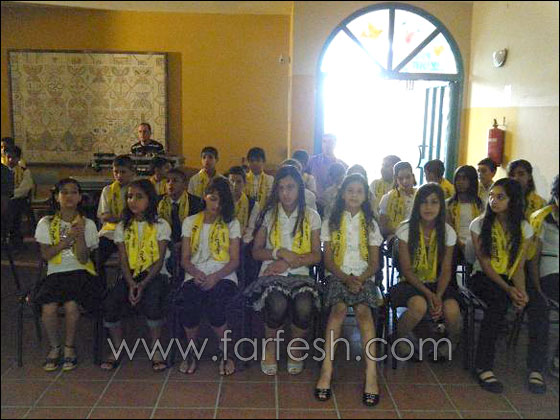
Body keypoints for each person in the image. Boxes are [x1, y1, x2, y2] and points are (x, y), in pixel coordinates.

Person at [244, 165, 322, 376]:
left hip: (300, 273)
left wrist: (288, 263)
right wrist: (279, 252)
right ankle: (270, 347)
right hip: (272, 273)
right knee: (277, 304)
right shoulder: (270, 215)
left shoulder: (311, 216)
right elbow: (256, 252)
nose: (286, 193)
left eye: (291, 187)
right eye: (281, 188)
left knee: (304, 306)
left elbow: (316, 255)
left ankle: (295, 347)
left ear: (300, 189)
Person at [315, 174, 383, 407]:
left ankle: (371, 375)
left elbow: (375, 263)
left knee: (364, 314)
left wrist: (359, 279)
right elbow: (328, 261)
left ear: (365, 197)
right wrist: (346, 279)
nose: (354, 195)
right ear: (342, 194)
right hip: (338, 275)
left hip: (364, 277)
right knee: (338, 311)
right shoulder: (331, 222)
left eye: (359, 191)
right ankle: (326, 371)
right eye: (350, 190)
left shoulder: (371, 224)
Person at [470, 178, 533, 394]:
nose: (493, 201)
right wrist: (508, 290)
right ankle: (483, 365)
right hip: (482, 277)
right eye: (491, 196)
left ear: (513, 200)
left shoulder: (524, 228)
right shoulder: (479, 224)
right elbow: (485, 264)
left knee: (528, 301)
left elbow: (518, 267)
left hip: (508, 277)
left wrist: (521, 292)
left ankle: (536, 368)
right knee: (498, 301)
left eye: (500, 197)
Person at [34, 178, 104, 371]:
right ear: (57, 197)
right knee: (48, 308)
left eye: (74, 192)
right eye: (64, 192)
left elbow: (83, 258)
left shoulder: (87, 223)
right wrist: (67, 240)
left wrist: (79, 235)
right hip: (55, 273)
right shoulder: (46, 222)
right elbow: (46, 255)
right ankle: (54, 347)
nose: (69, 196)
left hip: (80, 272)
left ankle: (69, 348)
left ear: (80, 197)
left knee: (71, 305)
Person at [101, 180, 171, 372]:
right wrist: (132, 283)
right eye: (130, 197)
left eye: (139, 197)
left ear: (150, 199)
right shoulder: (122, 226)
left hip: (154, 274)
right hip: (130, 275)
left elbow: (159, 260)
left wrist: (142, 284)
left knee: (153, 301)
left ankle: (156, 347)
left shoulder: (161, 225)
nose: (133, 201)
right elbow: (123, 260)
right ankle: (118, 347)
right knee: (111, 302)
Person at [390, 183, 462, 362]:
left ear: (441, 206)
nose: (428, 207)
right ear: (417, 205)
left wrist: (438, 295)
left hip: (438, 283)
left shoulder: (448, 232)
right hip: (411, 281)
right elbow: (406, 270)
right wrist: (429, 295)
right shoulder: (405, 229)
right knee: (419, 305)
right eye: (424, 202)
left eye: (434, 202)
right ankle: (398, 338)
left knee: (452, 310)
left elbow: (446, 269)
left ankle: (452, 342)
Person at [177, 177, 241, 376]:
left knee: (216, 303)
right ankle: (191, 349)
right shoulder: (190, 222)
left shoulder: (232, 223)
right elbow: (185, 259)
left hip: (224, 274)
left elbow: (234, 260)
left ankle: (225, 350)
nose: (216, 205)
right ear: (204, 197)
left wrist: (215, 276)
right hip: (195, 273)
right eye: (213, 199)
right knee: (189, 301)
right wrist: (195, 273)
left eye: (221, 201)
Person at [526, 175, 559, 390]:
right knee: (539, 309)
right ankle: (535, 368)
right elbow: (532, 258)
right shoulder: (541, 218)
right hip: (545, 273)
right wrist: (535, 286)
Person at [97, 155, 136, 280]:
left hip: (132, 232)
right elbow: (104, 216)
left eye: (123, 172)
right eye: (116, 172)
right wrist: (122, 218)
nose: (119, 175)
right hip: (110, 233)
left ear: (132, 172)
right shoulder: (107, 190)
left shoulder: (137, 190)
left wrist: (116, 217)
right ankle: (101, 287)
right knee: (96, 258)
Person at [157, 168, 203, 273]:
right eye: (167, 181)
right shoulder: (157, 202)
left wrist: (183, 243)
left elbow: (198, 229)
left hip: (189, 244)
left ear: (184, 185)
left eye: (175, 181)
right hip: (163, 244)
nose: (170, 184)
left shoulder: (196, 203)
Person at [446, 165, 484, 257]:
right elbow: (449, 228)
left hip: (476, 245)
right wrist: (460, 244)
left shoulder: (480, 204)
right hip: (454, 245)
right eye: (458, 179)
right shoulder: (448, 204)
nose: (460, 182)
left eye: (464, 179)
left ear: (472, 181)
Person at [379, 161, 417, 240]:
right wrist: (400, 231)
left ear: (413, 177)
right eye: (400, 178)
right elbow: (382, 228)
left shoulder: (421, 196)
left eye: (408, 177)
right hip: (395, 238)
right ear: (396, 179)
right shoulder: (387, 198)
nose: (405, 181)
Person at [5, 146, 34, 248]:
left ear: (18, 158)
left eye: (13, 158)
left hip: (17, 199)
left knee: (13, 208)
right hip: (4, 199)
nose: (10, 160)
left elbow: (24, 189)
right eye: (8, 157)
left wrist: (9, 195)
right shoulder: (3, 171)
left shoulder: (24, 171)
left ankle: (15, 240)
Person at [307, 133, 348, 201]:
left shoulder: (343, 166)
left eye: (330, 142)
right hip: (314, 201)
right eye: (324, 141)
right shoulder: (311, 161)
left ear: (335, 144)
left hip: (333, 202)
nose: (327, 145)